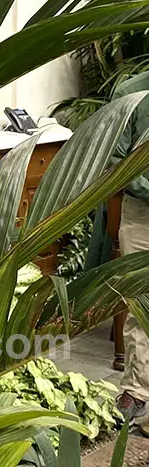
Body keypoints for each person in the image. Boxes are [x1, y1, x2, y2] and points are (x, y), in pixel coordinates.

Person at [111, 70, 149, 428]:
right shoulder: (131, 93)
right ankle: (137, 390)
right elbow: (116, 160)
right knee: (140, 301)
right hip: (141, 215)